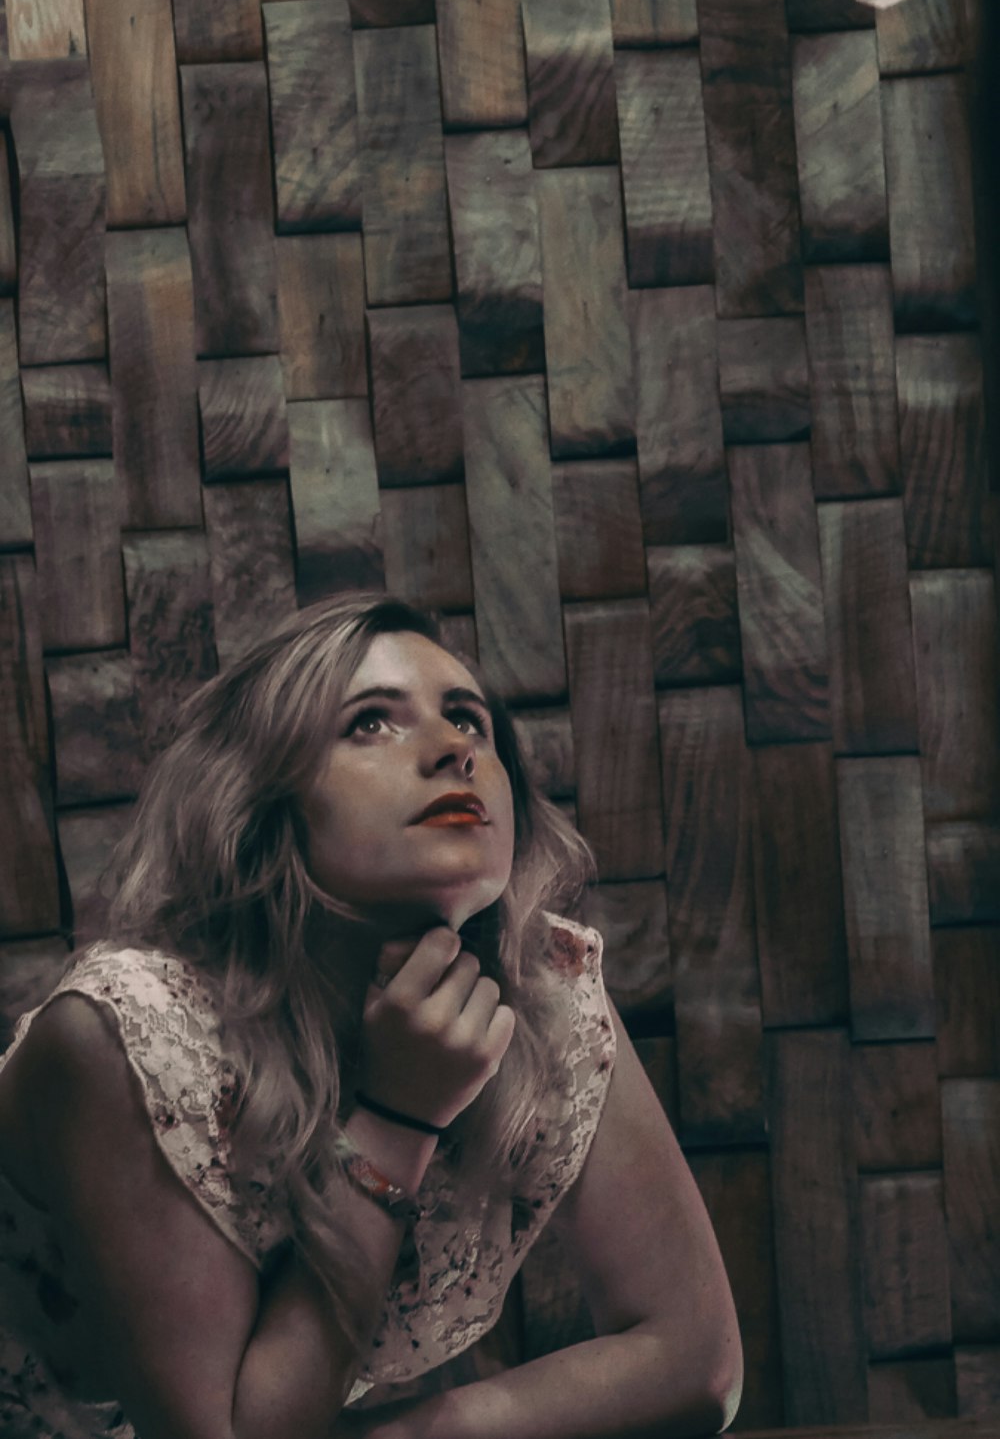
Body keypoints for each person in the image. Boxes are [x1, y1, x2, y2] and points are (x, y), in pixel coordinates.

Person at [0, 592, 743, 1439]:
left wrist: (423, 1434)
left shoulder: (538, 999)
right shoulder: (119, 1039)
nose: (452, 749)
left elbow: (696, 1361)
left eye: (468, 719)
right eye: (369, 724)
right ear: (259, 800)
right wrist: (398, 1119)